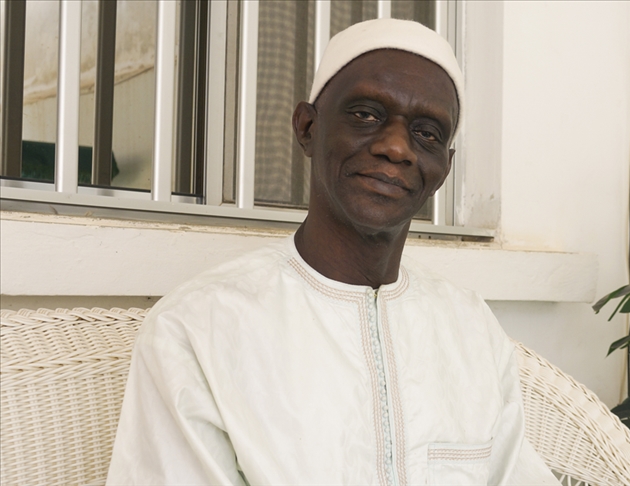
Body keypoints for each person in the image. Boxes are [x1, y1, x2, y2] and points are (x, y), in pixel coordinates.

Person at [107, 18, 558, 486]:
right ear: (307, 127)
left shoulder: (470, 327)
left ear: (444, 167)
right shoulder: (198, 327)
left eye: (427, 133)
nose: (396, 147)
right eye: (366, 114)